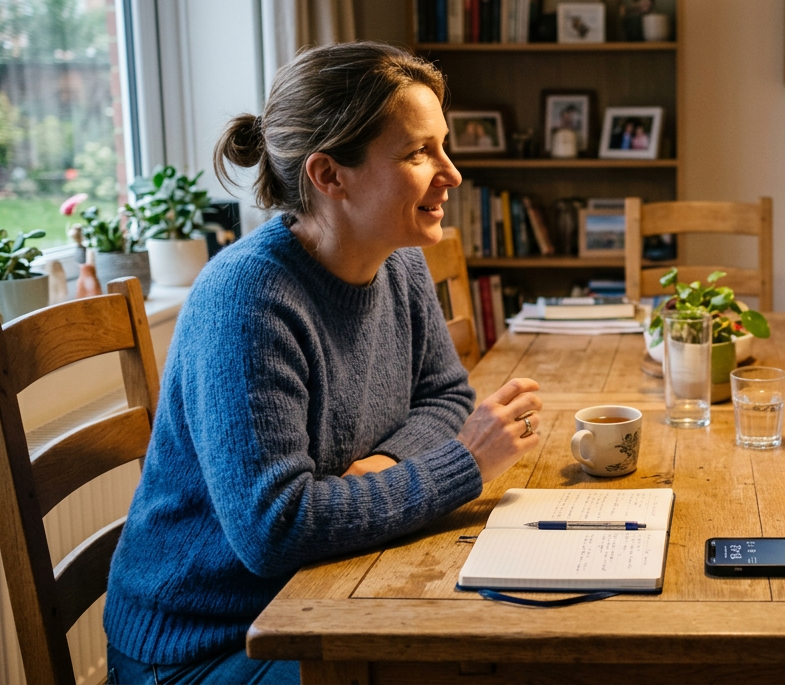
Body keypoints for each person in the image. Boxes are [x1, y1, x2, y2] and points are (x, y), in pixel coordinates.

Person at [103, 42, 544, 684]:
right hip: (209, 646)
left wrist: (387, 467)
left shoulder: (398, 258)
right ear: (329, 175)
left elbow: (446, 395)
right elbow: (275, 529)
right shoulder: (247, 299)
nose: (450, 173)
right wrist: (464, 465)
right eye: (419, 152)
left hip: (319, 598)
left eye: (442, 146)